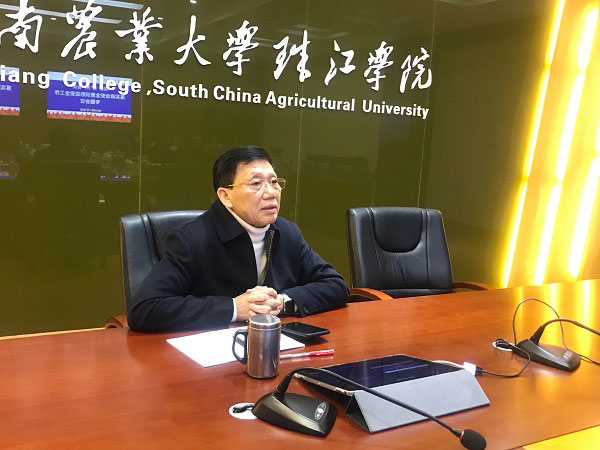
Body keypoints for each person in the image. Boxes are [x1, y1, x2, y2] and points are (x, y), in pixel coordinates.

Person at [128, 146, 348, 331]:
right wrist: (234, 308)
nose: (271, 192)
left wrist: (282, 302)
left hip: (275, 344)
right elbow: (145, 308)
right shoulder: (192, 240)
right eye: (256, 184)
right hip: (209, 353)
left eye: (274, 181)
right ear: (226, 196)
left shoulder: (287, 232)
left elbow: (335, 285)